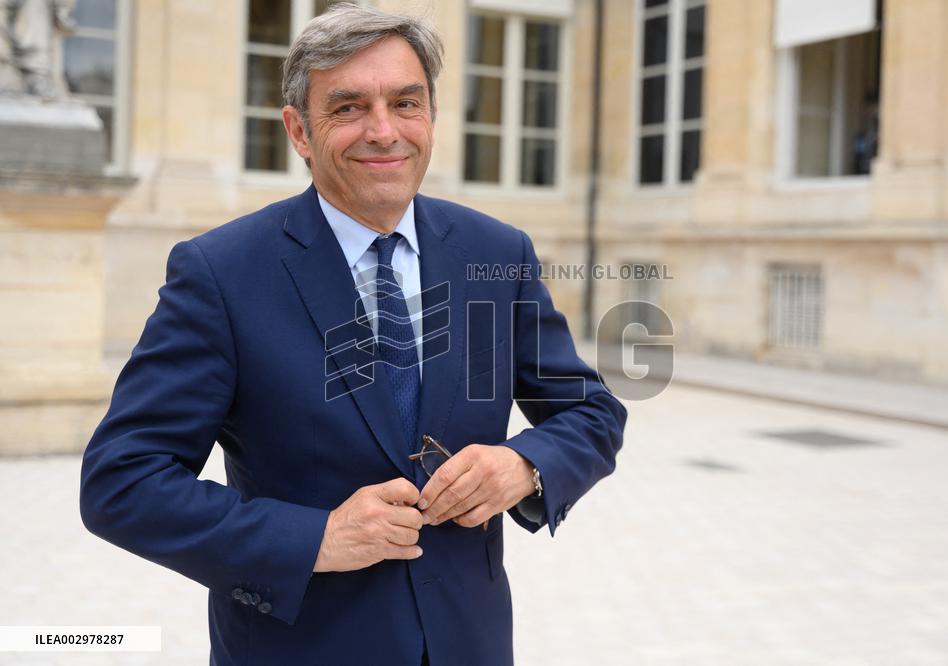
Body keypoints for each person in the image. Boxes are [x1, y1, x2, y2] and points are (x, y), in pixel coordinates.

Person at [79, 4, 626, 665]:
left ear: (430, 117)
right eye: (348, 108)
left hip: (468, 644)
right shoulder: (220, 274)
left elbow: (591, 411)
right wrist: (317, 538)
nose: (384, 130)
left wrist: (524, 465)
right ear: (299, 131)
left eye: (406, 102)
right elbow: (122, 482)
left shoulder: (496, 254)